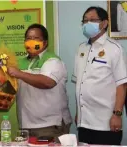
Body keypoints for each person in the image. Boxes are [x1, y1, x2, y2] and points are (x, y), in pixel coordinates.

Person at [72, 6, 127, 145]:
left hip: (106, 123)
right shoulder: (81, 49)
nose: (87, 24)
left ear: (104, 23)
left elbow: (122, 85)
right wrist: (79, 112)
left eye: (92, 20)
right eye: (84, 21)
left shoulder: (114, 49)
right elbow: (80, 84)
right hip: (84, 123)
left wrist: (117, 115)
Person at [7, 24, 72, 139]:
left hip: (50, 126)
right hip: (26, 126)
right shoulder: (19, 63)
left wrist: (19, 73)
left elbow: (47, 82)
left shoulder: (52, 60)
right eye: (28, 38)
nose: (31, 41)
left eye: (36, 38)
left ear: (45, 42)